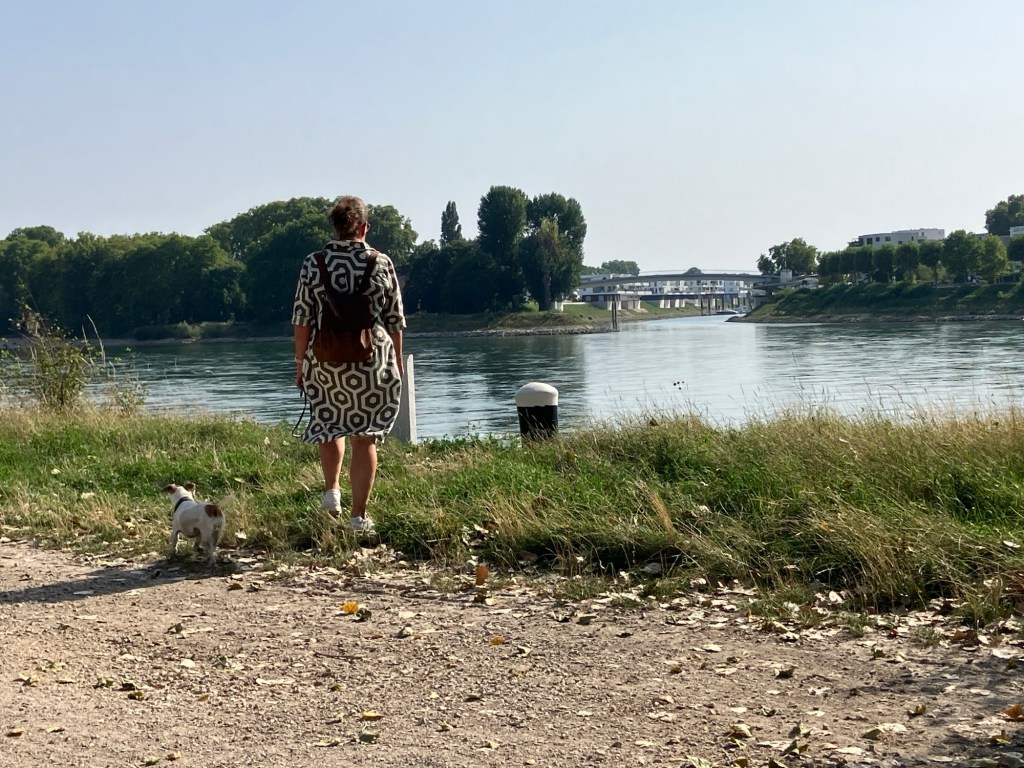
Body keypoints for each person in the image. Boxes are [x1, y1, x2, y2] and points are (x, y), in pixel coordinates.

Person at [292, 195, 406, 533]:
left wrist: (300, 363)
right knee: (364, 437)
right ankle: (358, 517)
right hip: (370, 361)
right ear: (364, 227)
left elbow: (302, 319)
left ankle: (331, 493)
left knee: (329, 423)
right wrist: (397, 362)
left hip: (324, 360)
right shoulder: (381, 262)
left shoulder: (314, 263)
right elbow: (395, 319)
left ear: (336, 227)